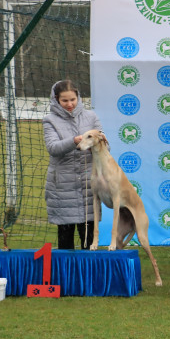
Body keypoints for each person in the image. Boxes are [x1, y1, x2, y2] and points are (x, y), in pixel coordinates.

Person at [43, 80, 103, 250]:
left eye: (72, 99)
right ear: (56, 100)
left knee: (89, 240)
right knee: (65, 242)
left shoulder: (91, 117)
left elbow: (105, 145)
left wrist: (95, 144)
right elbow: (53, 148)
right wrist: (74, 141)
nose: (69, 104)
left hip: (88, 185)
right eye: (64, 101)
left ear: (78, 97)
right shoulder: (49, 120)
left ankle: (89, 276)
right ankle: (65, 276)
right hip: (62, 187)